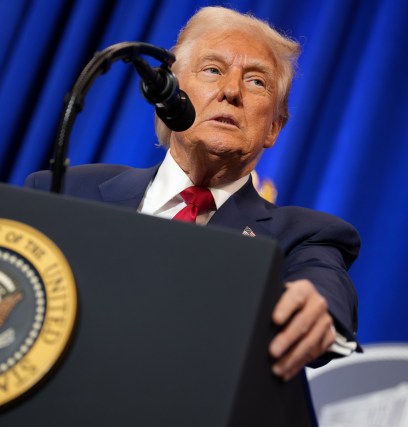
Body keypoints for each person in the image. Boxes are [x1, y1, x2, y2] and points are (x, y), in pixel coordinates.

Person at [26, 6, 360, 382]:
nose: (231, 91)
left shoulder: (302, 237)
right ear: (168, 96)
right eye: (213, 70)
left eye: (256, 82)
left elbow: (325, 290)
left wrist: (315, 308)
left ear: (273, 128)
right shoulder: (67, 191)